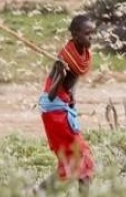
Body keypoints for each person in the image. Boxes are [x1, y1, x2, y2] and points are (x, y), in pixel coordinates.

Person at [37, 14, 95, 195]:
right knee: (82, 156)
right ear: (76, 35)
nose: (91, 37)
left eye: (92, 33)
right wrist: (60, 76)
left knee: (74, 160)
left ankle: (39, 191)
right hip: (55, 113)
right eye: (87, 34)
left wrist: (71, 95)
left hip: (64, 108)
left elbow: (73, 80)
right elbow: (52, 94)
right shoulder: (63, 58)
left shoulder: (81, 54)